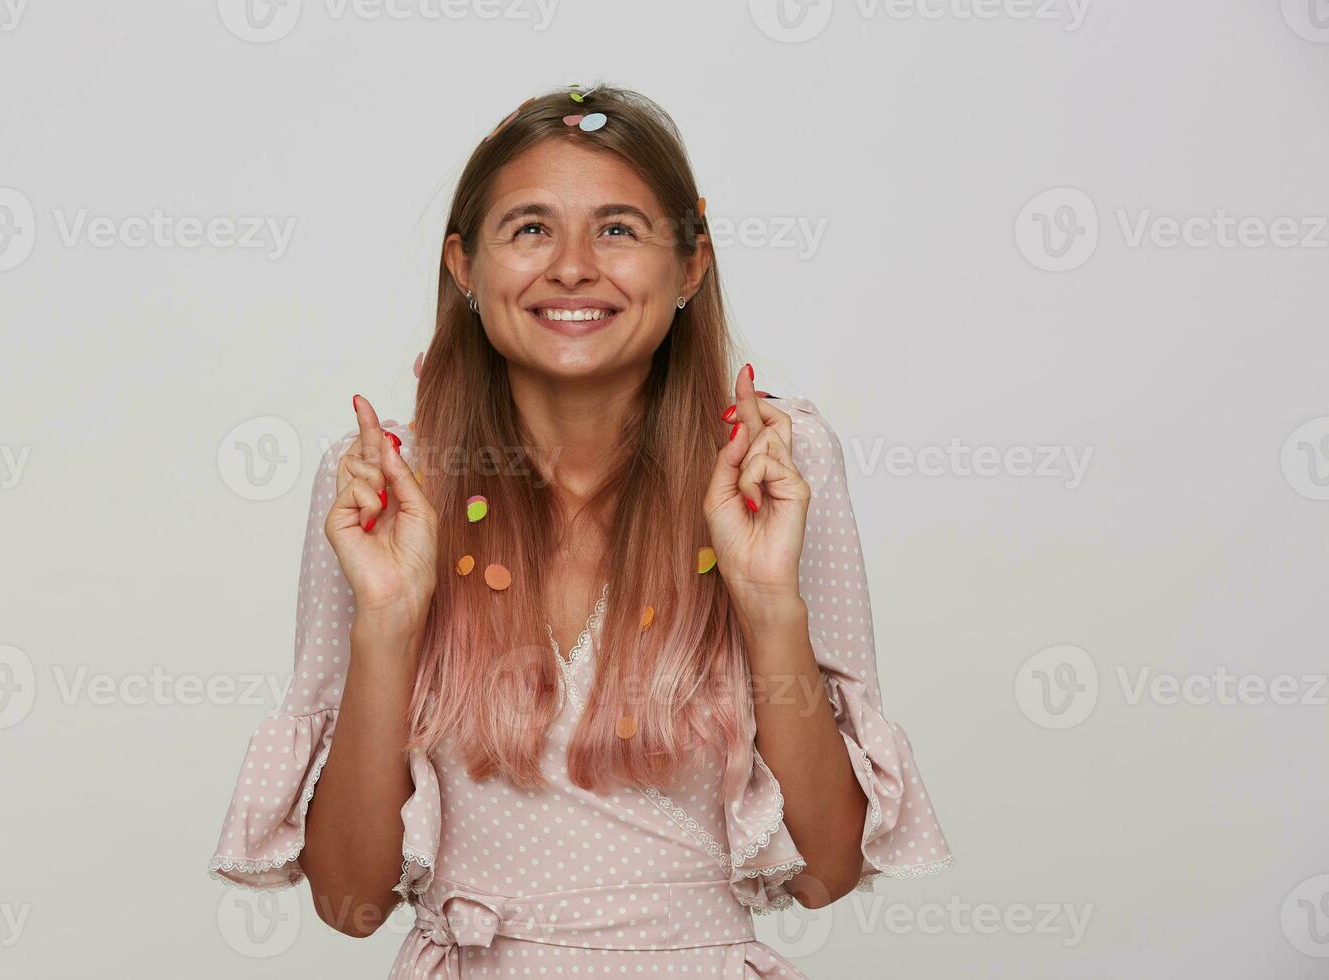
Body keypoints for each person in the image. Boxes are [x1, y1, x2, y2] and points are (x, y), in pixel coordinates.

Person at [207, 83, 952, 978]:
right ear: (464, 268)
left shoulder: (773, 461)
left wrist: (767, 605)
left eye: (618, 229)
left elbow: (826, 869)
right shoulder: (386, 484)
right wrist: (389, 621)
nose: (570, 267)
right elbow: (347, 899)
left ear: (689, 267)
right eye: (529, 228)